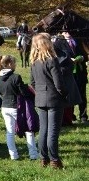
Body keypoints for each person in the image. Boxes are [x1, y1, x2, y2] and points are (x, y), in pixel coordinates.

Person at [29, 33, 67, 168]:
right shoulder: (52, 60)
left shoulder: (34, 62)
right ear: (47, 44)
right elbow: (59, 83)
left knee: (43, 129)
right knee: (53, 131)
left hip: (40, 98)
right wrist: (64, 94)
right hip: (54, 98)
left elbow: (32, 83)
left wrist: (39, 92)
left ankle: (43, 158)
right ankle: (54, 160)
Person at [0, 55, 39, 161]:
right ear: (10, 64)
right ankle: (33, 154)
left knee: (9, 132)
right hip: (16, 107)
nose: (15, 65)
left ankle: (13, 155)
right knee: (28, 129)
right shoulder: (16, 77)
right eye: (14, 63)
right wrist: (28, 89)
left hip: (5, 107)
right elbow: (23, 92)